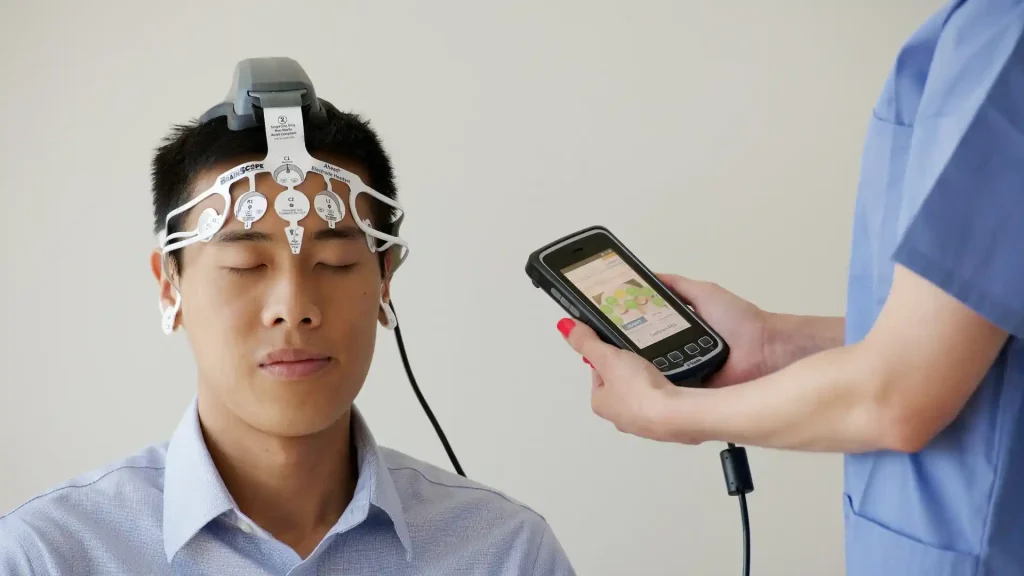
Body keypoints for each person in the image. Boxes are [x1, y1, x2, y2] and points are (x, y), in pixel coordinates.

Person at [0, 66, 574, 575]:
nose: (293, 307)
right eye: (245, 264)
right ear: (169, 286)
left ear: (385, 279)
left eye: (336, 262)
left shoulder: (505, 553)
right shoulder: (47, 555)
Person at [556, 1, 1024, 574]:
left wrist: (669, 411)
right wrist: (772, 343)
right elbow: (975, 336)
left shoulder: (1006, 36)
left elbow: (898, 397)